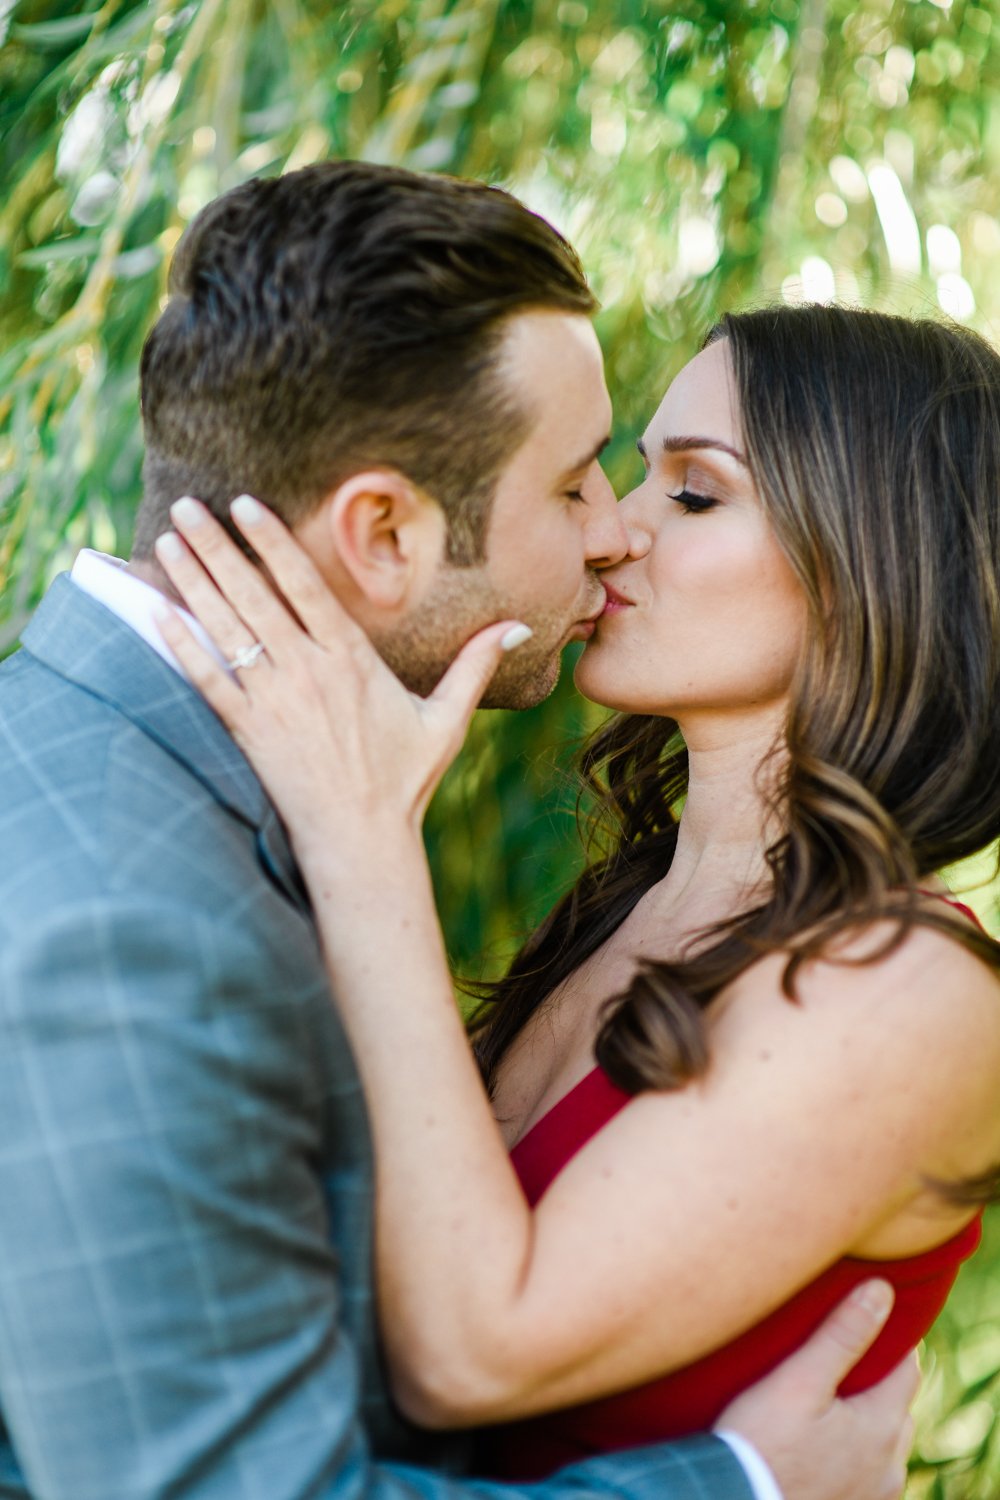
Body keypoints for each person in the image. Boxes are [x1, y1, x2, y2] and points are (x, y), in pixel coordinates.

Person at [0, 161, 914, 1500]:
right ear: (382, 534)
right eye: (571, 487)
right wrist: (739, 1486)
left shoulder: (121, 771)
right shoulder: (134, 928)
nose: (613, 537)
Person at [152, 298, 1000, 1485]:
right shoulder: (630, 906)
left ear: (873, 565)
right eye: (622, 477)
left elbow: (469, 1355)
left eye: (692, 494)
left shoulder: (910, 986)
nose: (610, 534)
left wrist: (362, 832)